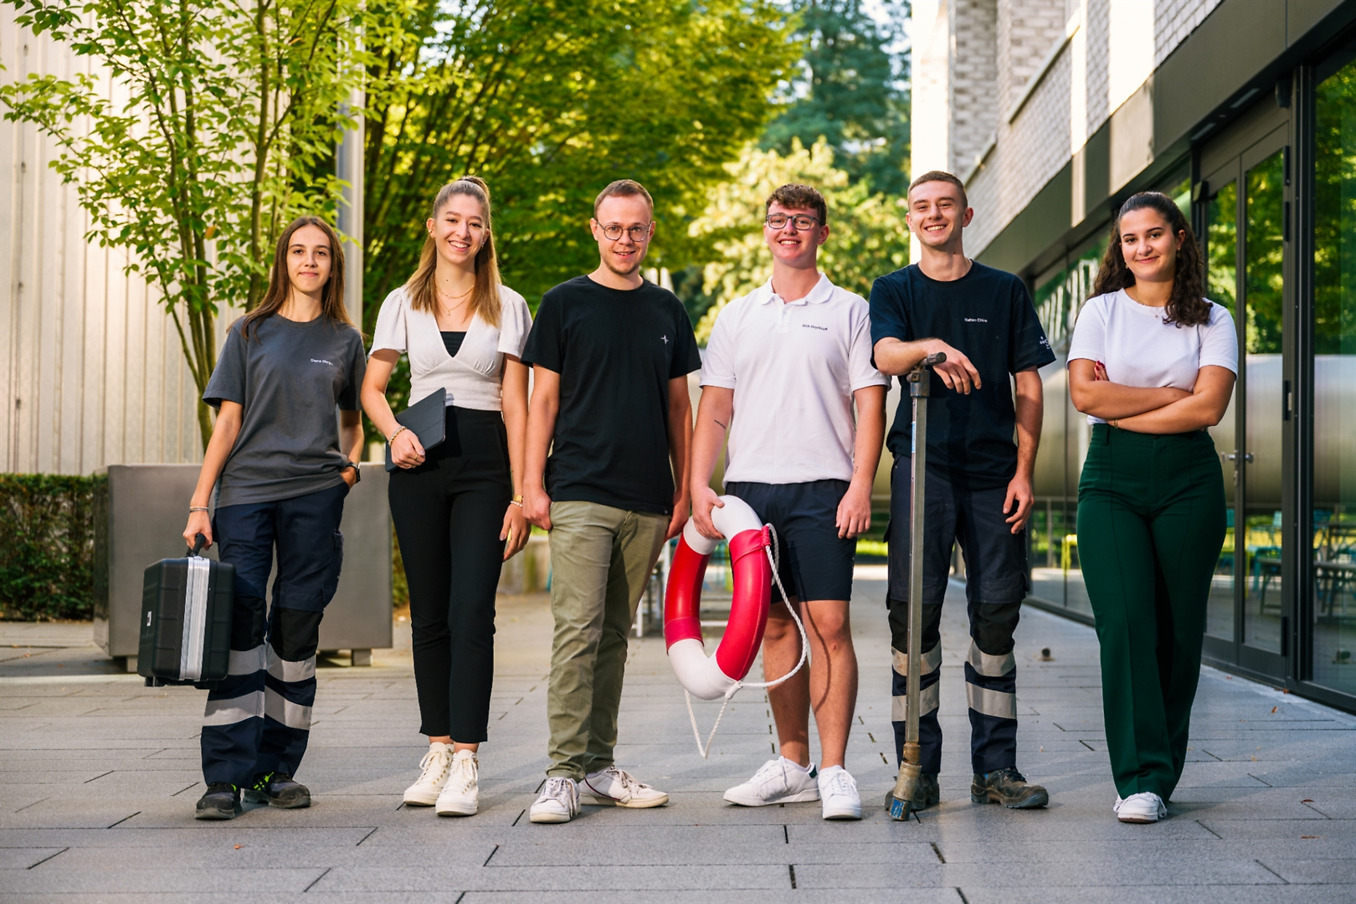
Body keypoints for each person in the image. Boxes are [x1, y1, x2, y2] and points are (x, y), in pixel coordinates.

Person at [690, 184, 887, 821]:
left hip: (825, 487)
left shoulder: (851, 310)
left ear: (822, 233)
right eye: (779, 220)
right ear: (766, 229)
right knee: (775, 624)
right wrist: (699, 485)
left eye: (802, 221)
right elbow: (714, 408)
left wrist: (862, 484)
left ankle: (834, 769)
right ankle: (792, 762)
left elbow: (869, 404)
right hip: (752, 491)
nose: (789, 230)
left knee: (829, 626)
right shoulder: (738, 314)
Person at [869, 170, 1055, 812]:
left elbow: (1028, 386)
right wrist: (934, 347)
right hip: (923, 468)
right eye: (922, 206)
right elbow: (888, 354)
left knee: (997, 611)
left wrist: (1025, 471)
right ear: (910, 218)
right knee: (911, 615)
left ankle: (994, 770)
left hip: (993, 474)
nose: (933, 214)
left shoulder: (1004, 290)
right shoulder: (895, 288)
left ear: (967, 213)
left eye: (945, 204)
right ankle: (915, 768)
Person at [520, 179, 701, 824]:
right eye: (614, 228)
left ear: (651, 233)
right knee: (577, 630)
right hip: (579, 491)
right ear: (594, 229)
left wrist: (684, 488)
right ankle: (561, 774)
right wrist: (531, 482)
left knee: (616, 637)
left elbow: (681, 407)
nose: (625, 239)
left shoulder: (667, 312)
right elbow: (542, 400)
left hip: (648, 500)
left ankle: (598, 766)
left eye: (637, 229)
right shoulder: (563, 303)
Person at [184, 216, 366, 820]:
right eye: (298, 251)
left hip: (315, 496)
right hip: (245, 495)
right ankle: (224, 777)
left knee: (296, 630)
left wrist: (348, 470)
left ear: (332, 265)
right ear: (283, 261)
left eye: (320, 253)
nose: (309, 261)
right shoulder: (249, 332)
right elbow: (228, 424)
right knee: (240, 627)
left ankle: (275, 769)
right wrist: (199, 502)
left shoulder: (345, 339)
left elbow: (354, 420)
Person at [361, 176, 531, 817]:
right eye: (453, 220)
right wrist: (395, 432)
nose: (463, 232)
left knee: (471, 611)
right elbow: (372, 388)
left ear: (487, 234)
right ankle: (435, 748)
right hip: (420, 457)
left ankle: (467, 758)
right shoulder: (401, 301)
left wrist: (522, 494)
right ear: (433, 227)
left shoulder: (509, 305)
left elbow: (517, 404)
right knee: (429, 613)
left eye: (476, 223)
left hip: (487, 461)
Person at [1068, 191, 1236, 824]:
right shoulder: (1101, 310)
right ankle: (1139, 777)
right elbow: (1086, 396)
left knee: (1177, 630)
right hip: (1109, 480)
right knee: (1128, 621)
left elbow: (1208, 408)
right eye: (1130, 239)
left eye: (1154, 235)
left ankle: (1162, 772)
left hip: (1189, 481)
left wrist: (1129, 401)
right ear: (1121, 248)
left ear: (1180, 239)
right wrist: (1169, 393)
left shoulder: (1213, 318)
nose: (1142, 248)